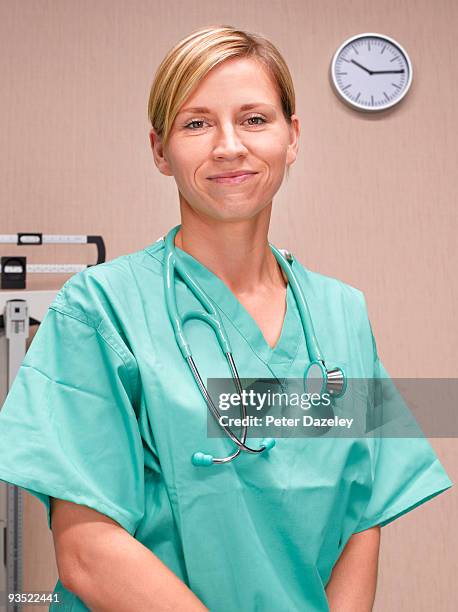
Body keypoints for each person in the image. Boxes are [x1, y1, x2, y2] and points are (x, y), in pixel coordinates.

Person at [0, 24, 452, 612]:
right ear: (160, 150)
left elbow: (361, 516)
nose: (228, 146)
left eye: (255, 119)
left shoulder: (342, 312)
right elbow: (87, 551)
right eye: (196, 123)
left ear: (292, 137)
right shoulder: (100, 307)